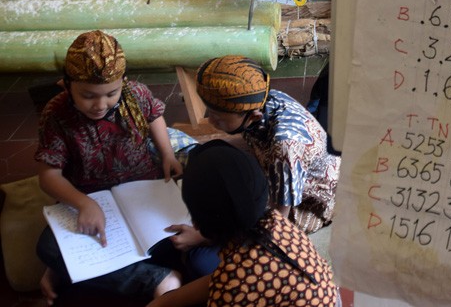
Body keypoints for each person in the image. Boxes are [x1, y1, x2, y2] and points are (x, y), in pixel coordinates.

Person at [34, 30, 192, 305]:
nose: (100, 105)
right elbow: (49, 176)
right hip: (90, 196)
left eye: (111, 94)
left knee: (174, 240)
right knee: (47, 246)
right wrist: (83, 204)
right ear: (66, 84)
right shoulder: (56, 113)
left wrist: (167, 154)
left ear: (124, 82)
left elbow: (155, 114)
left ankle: (74, 271)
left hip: (142, 189)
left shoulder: (136, 94)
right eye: (88, 95)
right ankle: (161, 280)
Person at [148, 140, 339, 307]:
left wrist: (162, 300)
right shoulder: (276, 222)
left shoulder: (232, 285)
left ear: (197, 224)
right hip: (329, 300)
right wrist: (166, 301)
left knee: (197, 261)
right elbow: (229, 276)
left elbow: (231, 280)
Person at [194, 54, 340, 233]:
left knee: (242, 218)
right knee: (209, 155)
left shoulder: (286, 145)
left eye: (218, 118)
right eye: (210, 113)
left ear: (254, 116)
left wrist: (206, 236)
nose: (210, 121)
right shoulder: (262, 99)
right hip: (280, 167)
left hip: (310, 202)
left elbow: (280, 218)